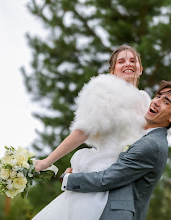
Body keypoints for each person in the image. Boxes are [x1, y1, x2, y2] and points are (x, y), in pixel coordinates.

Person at [32, 45, 151, 219]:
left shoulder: (145, 99)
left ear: (140, 69)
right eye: (121, 61)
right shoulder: (103, 90)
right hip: (100, 171)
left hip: (128, 177)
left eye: (133, 60)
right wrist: (46, 162)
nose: (128, 64)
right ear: (112, 71)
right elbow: (82, 132)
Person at [61, 80, 171, 220]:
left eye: (166, 102)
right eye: (158, 96)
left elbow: (108, 178)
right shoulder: (141, 134)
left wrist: (68, 179)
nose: (156, 102)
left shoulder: (152, 145)